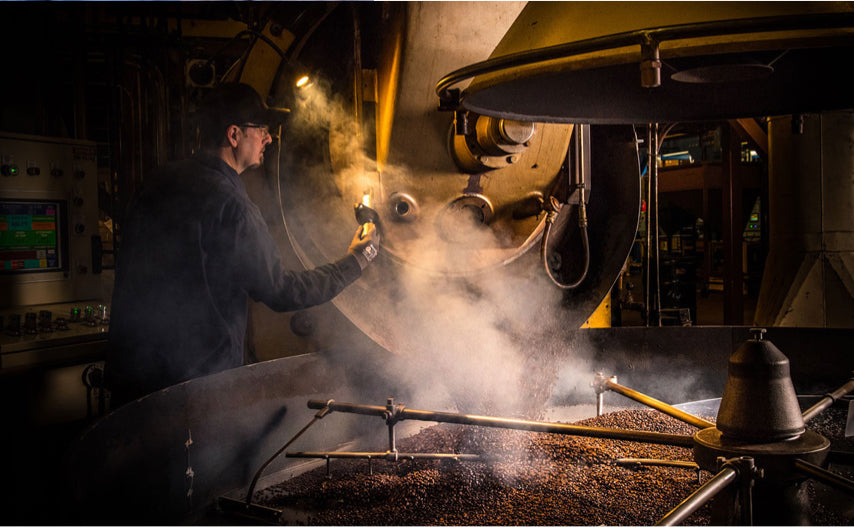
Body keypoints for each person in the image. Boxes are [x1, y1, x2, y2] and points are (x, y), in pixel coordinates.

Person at [104, 83, 379, 407]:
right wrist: (358, 259)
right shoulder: (231, 205)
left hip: (132, 382)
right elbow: (280, 291)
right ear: (234, 135)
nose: (269, 138)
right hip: (193, 392)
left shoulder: (156, 182)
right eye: (261, 129)